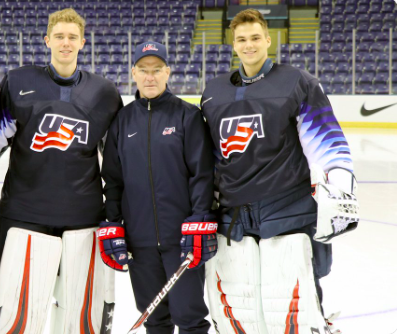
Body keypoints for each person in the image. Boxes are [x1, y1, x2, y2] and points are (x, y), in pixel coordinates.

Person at [200, 9, 358, 334]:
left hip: (288, 210)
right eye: (242, 39)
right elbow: (211, 157)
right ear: (233, 44)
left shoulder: (297, 82)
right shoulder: (214, 93)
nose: (249, 45)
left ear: (268, 40)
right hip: (234, 218)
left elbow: (326, 138)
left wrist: (340, 185)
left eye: (255, 37)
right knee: (242, 309)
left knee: (294, 308)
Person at [0, 8, 123, 334]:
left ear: (83, 42)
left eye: (72, 37)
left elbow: (117, 166)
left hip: (84, 219)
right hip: (23, 216)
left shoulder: (104, 93)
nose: (65, 43)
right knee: (15, 317)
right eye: (59, 36)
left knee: (81, 318)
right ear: (47, 40)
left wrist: (119, 218)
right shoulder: (18, 82)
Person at [99, 41, 217, 334]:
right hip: (140, 242)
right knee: (154, 318)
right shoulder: (122, 121)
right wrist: (113, 224)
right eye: (143, 70)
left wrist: (200, 220)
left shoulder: (187, 116)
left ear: (168, 72)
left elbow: (202, 175)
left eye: (156, 70)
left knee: (189, 317)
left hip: (182, 241)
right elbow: (113, 180)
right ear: (133, 74)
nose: (149, 77)